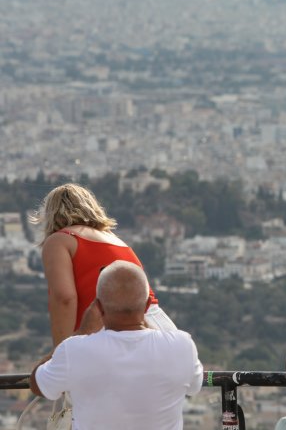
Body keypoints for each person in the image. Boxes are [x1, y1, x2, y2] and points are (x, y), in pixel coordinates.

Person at [29, 261, 203, 430]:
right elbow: (195, 386)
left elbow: (37, 385)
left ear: (98, 307)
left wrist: (82, 331)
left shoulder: (74, 351)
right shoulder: (182, 347)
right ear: (147, 305)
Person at [32, 183, 175, 347]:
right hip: (158, 326)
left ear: (52, 214)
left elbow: (64, 298)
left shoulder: (59, 240)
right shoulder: (116, 240)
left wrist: (60, 352)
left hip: (117, 332)